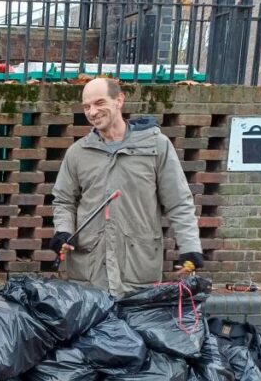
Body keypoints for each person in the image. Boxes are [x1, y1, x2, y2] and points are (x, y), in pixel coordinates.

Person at [50, 77, 202, 296]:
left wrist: (190, 248)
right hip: (90, 272)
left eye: (99, 103)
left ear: (119, 100)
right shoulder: (78, 153)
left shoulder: (155, 146)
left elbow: (179, 202)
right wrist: (63, 231)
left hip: (138, 269)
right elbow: (63, 201)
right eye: (86, 106)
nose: (92, 112)